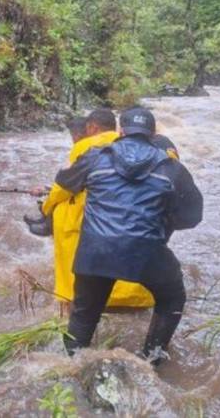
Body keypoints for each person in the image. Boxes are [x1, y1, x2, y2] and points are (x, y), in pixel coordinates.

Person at [54, 107, 203, 364]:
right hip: (146, 252)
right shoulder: (172, 168)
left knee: (84, 313)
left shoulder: (95, 157)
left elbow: (66, 182)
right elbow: (192, 217)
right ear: (154, 134)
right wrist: (163, 222)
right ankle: (151, 359)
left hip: (95, 251)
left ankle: (71, 366)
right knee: (173, 298)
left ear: (120, 130)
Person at [33, 109, 155, 308]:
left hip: (88, 221)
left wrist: (46, 209)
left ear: (92, 127)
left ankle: (76, 300)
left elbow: (65, 186)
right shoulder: (144, 149)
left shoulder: (86, 147)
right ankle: (129, 296)